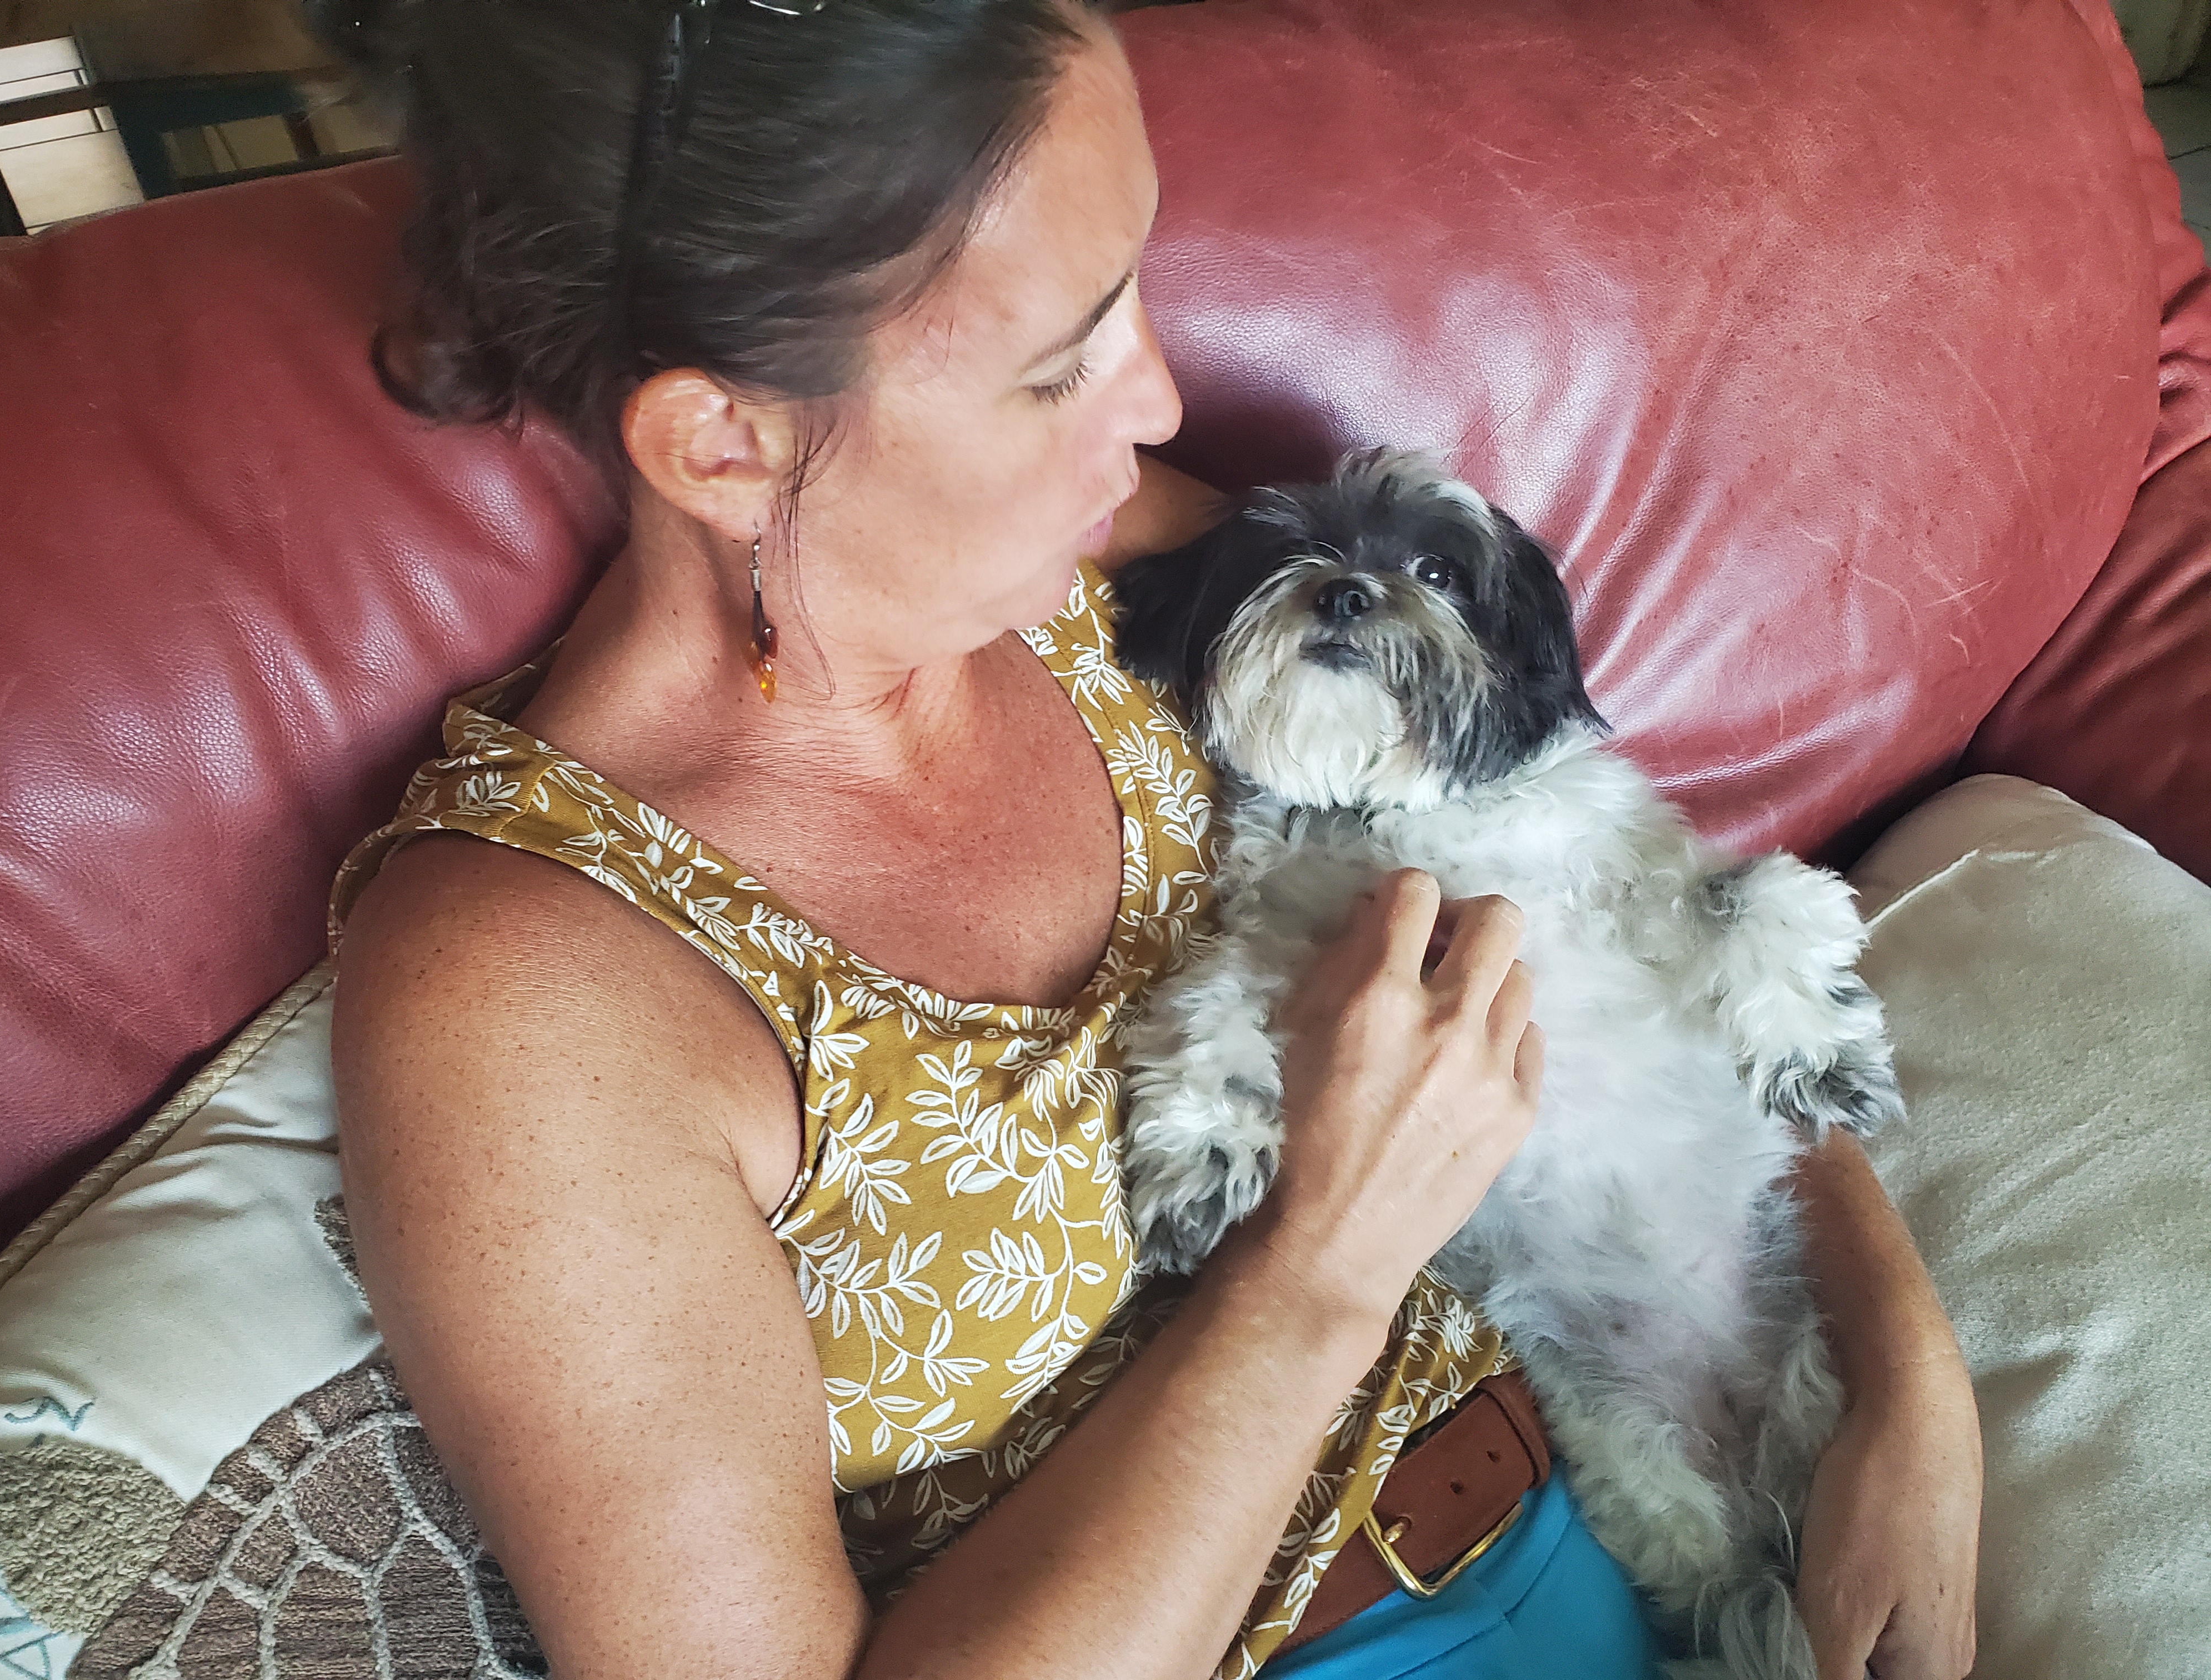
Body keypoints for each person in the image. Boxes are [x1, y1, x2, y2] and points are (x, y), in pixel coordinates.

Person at [322, 2, 1983, 1676]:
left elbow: (1596, 882)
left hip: (1654, 1499)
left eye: (1138, 306)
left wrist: (1906, 1379)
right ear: (723, 446)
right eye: (1065, 365)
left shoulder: (1097, 562)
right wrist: (1323, 1261)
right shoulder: (520, 995)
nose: (1161, 405)